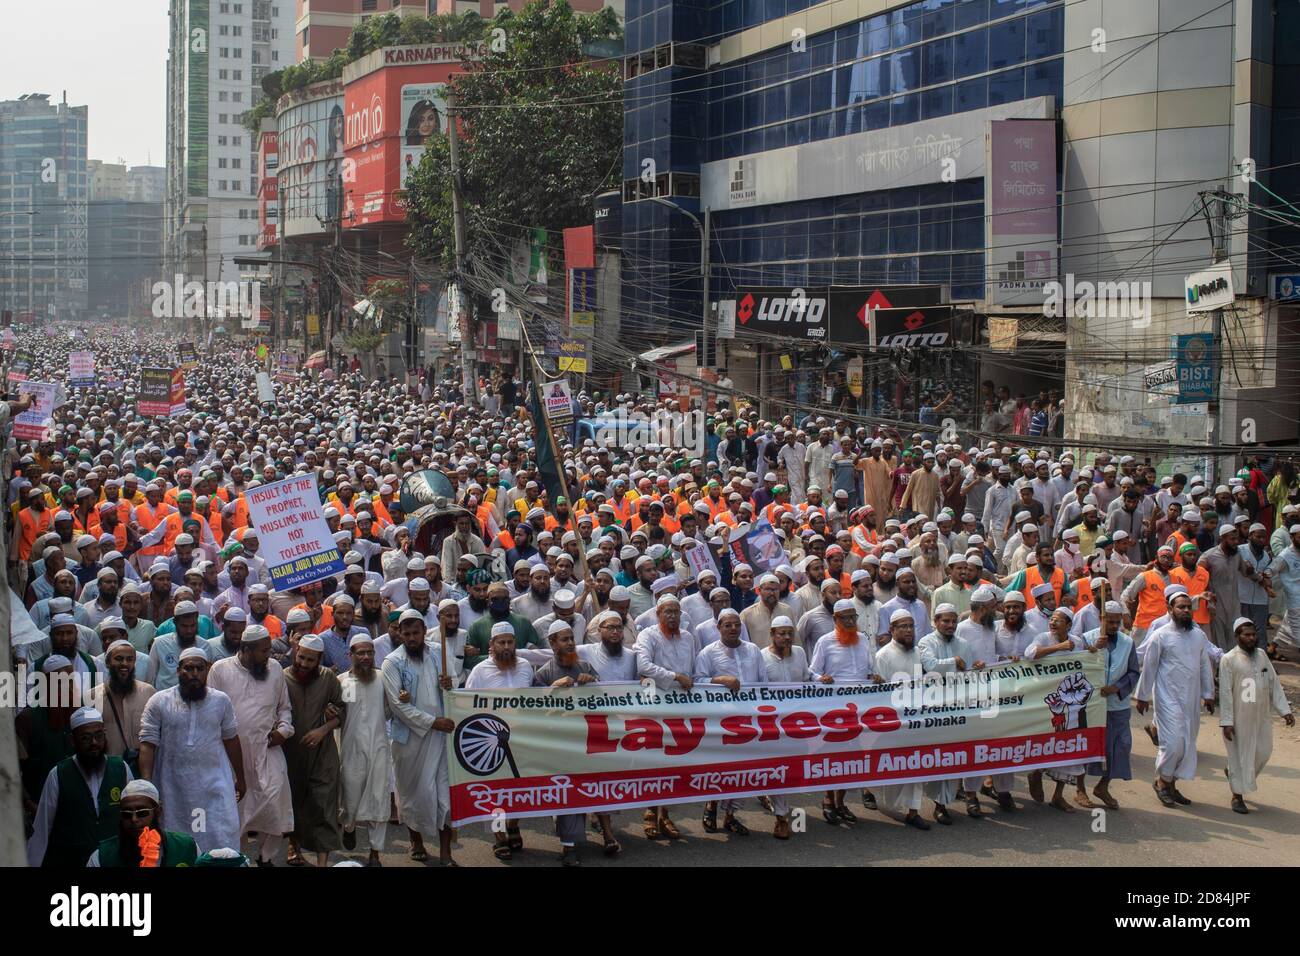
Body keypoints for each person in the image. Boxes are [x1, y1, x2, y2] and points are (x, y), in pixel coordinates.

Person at [138, 648, 245, 854]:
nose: (194, 673)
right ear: (178, 670)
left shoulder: (221, 701)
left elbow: (231, 739)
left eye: (199, 668)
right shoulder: (159, 701)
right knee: (176, 842)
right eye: (188, 668)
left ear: (207, 670)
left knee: (218, 837)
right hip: (172, 787)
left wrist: (241, 777)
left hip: (213, 786)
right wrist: (147, 784)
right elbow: (148, 743)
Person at [206, 624, 294, 867]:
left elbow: (284, 708)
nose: (269, 656)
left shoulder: (275, 669)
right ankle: (239, 858)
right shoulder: (220, 670)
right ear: (246, 649)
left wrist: (284, 731)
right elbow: (211, 713)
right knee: (237, 812)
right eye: (264, 651)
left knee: (276, 803)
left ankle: (266, 858)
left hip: (268, 750)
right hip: (232, 754)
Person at [382, 609, 457, 866]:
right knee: (412, 794)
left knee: (444, 795)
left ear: (425, 632)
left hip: (441, 738)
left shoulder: (439, 652)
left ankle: (447, 851)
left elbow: (454, 687)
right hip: (410, 743)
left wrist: (450, 684)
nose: (412, 638)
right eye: (407, 634)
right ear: (399, 634)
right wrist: (433, 722)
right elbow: (397, 707)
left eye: (416, 633)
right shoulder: (392, 662)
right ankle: (416, 841)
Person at [532, 620, 604, 865]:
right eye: (564, 639)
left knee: (584, 789)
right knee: (566, 791)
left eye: (572, 638)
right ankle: (569, 846)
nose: (571, 643)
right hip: (558, 744)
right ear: (552, 643)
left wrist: (592, 683)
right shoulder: (544, 674)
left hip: (585, 742)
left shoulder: (585, 666)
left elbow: (607, 699)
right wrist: (553, 688)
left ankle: (578, 835)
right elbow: (532, 708)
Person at [1134, 594, 1216, 808]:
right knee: (1172, 744)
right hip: (1166, 697)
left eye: (1189, 607)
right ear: (1169, 609)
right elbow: (1149, 667)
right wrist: (1142, 697)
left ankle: (1171, 783)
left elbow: (1204, 666)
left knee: (1187, 743)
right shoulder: (1160, 636)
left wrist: (1208, 693)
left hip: (1191, 698)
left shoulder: (1198, 636)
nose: (1186, 610)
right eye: (1181, 607)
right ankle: (1161, 782)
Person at [26, 707, 132, 867]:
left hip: (113, 860)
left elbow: (134, 814)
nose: (94, 743)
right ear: (72, 740)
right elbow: (42, 829)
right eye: (85, 738)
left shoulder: (121, 768)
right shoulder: (58, 775)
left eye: (98, 736)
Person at [1218, 618, 1294, 813]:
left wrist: (1285, 711)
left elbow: (1274, 683)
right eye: (1246, 635)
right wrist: (1227, 721)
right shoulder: (1228, 659)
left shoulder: (1261, 655)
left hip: (1261, 716)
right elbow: (1225, 692)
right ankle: (1237, 796)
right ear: (1237, 637)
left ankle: (1234, 774)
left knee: (1263, 752)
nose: (1251, 638)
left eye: (1253, 634)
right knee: (1240, 756)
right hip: (1239, 717)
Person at [282, 634, 344, 867]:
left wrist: (323, 730)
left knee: (324, 806)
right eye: (301, 657)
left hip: (323, 755)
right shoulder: (283, 678)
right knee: (294, 803)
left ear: (320, 659)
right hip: (291, 754)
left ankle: (322, 862)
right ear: (296, 652)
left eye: (311, 660)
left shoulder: (328, 678)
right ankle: (293, 846)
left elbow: (341, 711)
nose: (304, 664)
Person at [339, 634, 393, 866]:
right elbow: (341, 713)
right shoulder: (343, 681)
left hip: (379, 747)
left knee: (378, 800)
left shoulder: (383, 678)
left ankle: (375, 852)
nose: (366, 657)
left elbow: (391, 709)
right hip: (350, 750)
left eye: (369, 652)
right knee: (350, 799)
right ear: (350, 655)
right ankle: (349, 825)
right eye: (360, 653)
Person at [1079, 602, 1140, 810]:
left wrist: (1117, 687)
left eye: (1117, 622)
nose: (1114, 626)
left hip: (1117, 704)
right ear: (1101, 620)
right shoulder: (1087, 638)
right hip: (1091, 704)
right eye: (1110, 622)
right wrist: (1095, 648)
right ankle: (1080, 789)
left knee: (1120, 746)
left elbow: (1133, 672)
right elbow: (1077, 667)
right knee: (1087, 748)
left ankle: (1103, 786)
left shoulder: (1127, 642)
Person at [873, 609, 928, 829]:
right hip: (893, 721)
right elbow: (879, 693)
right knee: (893, 766)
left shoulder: (917, 653)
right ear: (892, 629)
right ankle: (878, 797)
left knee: (917, 765)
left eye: (911, 626)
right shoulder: (883, 655)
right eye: (902, 626)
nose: (908, 630)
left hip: (916, 718)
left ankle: (914, 812)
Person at [86, 778, 200, 867]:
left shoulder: (186, 848)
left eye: (142, 813)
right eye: (127, 814)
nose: (134, 819)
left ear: (157, 812)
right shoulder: (102, 857)